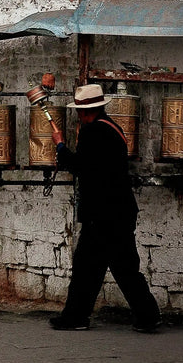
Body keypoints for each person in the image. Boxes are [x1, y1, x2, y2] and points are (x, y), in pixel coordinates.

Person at [49, 83, 161, 332]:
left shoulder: (93, 132)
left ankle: (77, 317)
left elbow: (80, 166)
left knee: (95, 268)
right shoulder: (113, 128)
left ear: (83, 111)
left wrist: (60, 146)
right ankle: (147, 316)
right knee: (108, 267)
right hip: (117, 210)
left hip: (103, 213)